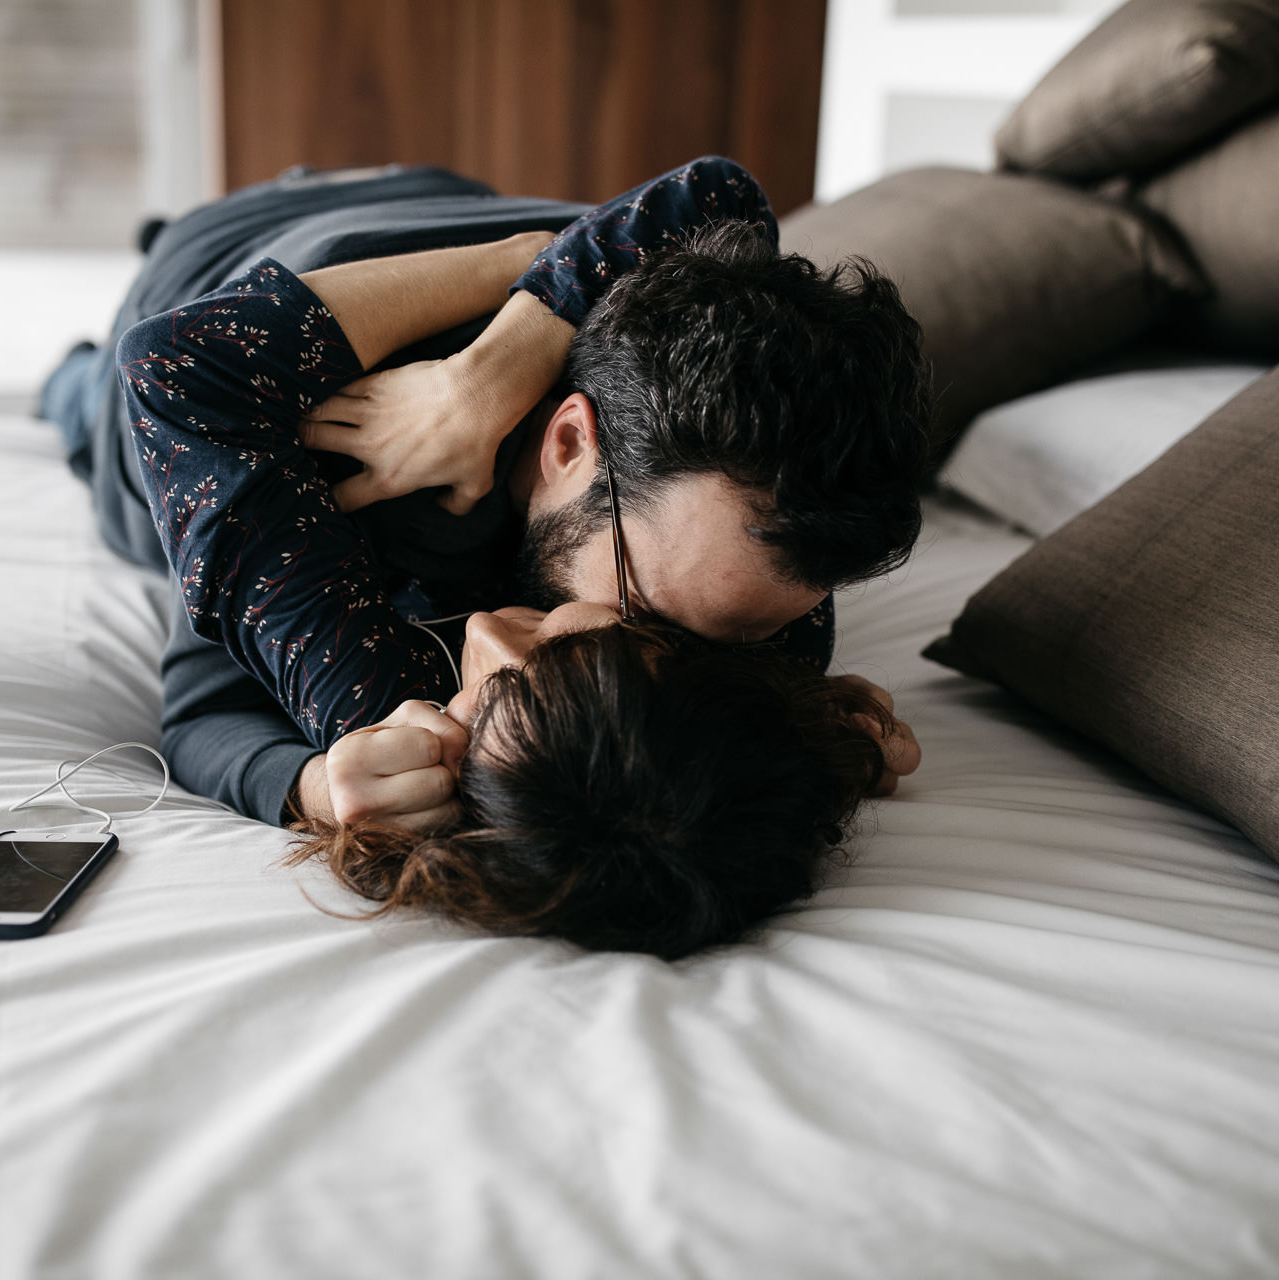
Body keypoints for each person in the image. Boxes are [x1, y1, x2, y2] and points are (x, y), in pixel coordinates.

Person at [45, 156, 931, 836]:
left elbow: (722, 196)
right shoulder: (330, 447)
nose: (678, 662)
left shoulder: (749, 540)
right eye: (647, 610)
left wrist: (792, 711)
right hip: (226, 260)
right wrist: (511, 320)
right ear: (570, 444)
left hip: (446, 197)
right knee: (95, 419)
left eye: (759, 633)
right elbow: (206, 699)